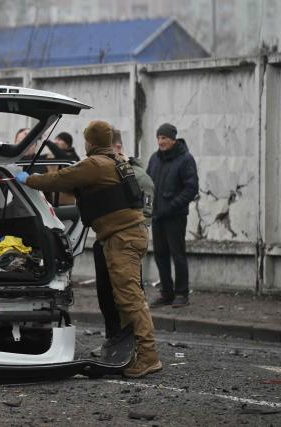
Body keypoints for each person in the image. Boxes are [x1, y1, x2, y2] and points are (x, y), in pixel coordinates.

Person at [16, 120, 161, 378]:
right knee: (125, 298)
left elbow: (61, 178)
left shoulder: (95, 165)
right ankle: (131, 352)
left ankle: (148, 357)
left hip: (122, 238)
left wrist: (30, 180)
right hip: (128, 235)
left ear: (91, 142)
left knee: (130, 299)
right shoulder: (115, 161)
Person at [91, 128, 154, 357]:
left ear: (116, 147)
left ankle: (134, 345)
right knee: (106, 294)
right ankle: (114, 340)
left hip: (124, 242)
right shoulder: (106, 171)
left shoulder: (135, 175)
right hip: (105, 239)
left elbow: (144, 213)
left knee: (128, 296)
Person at [147, 123, 198, 308]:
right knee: (160, 255)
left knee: (178, 255)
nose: (161, 141)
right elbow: (147, 184)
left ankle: (182, 293)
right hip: (157, 217)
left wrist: (172, 206)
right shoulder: (154, 159)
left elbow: (191, 189)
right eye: (159, 138)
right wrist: (148, 209)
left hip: (175, 217)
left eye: (165, 138)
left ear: (173, 139)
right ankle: (166, 293)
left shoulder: (185, 159)